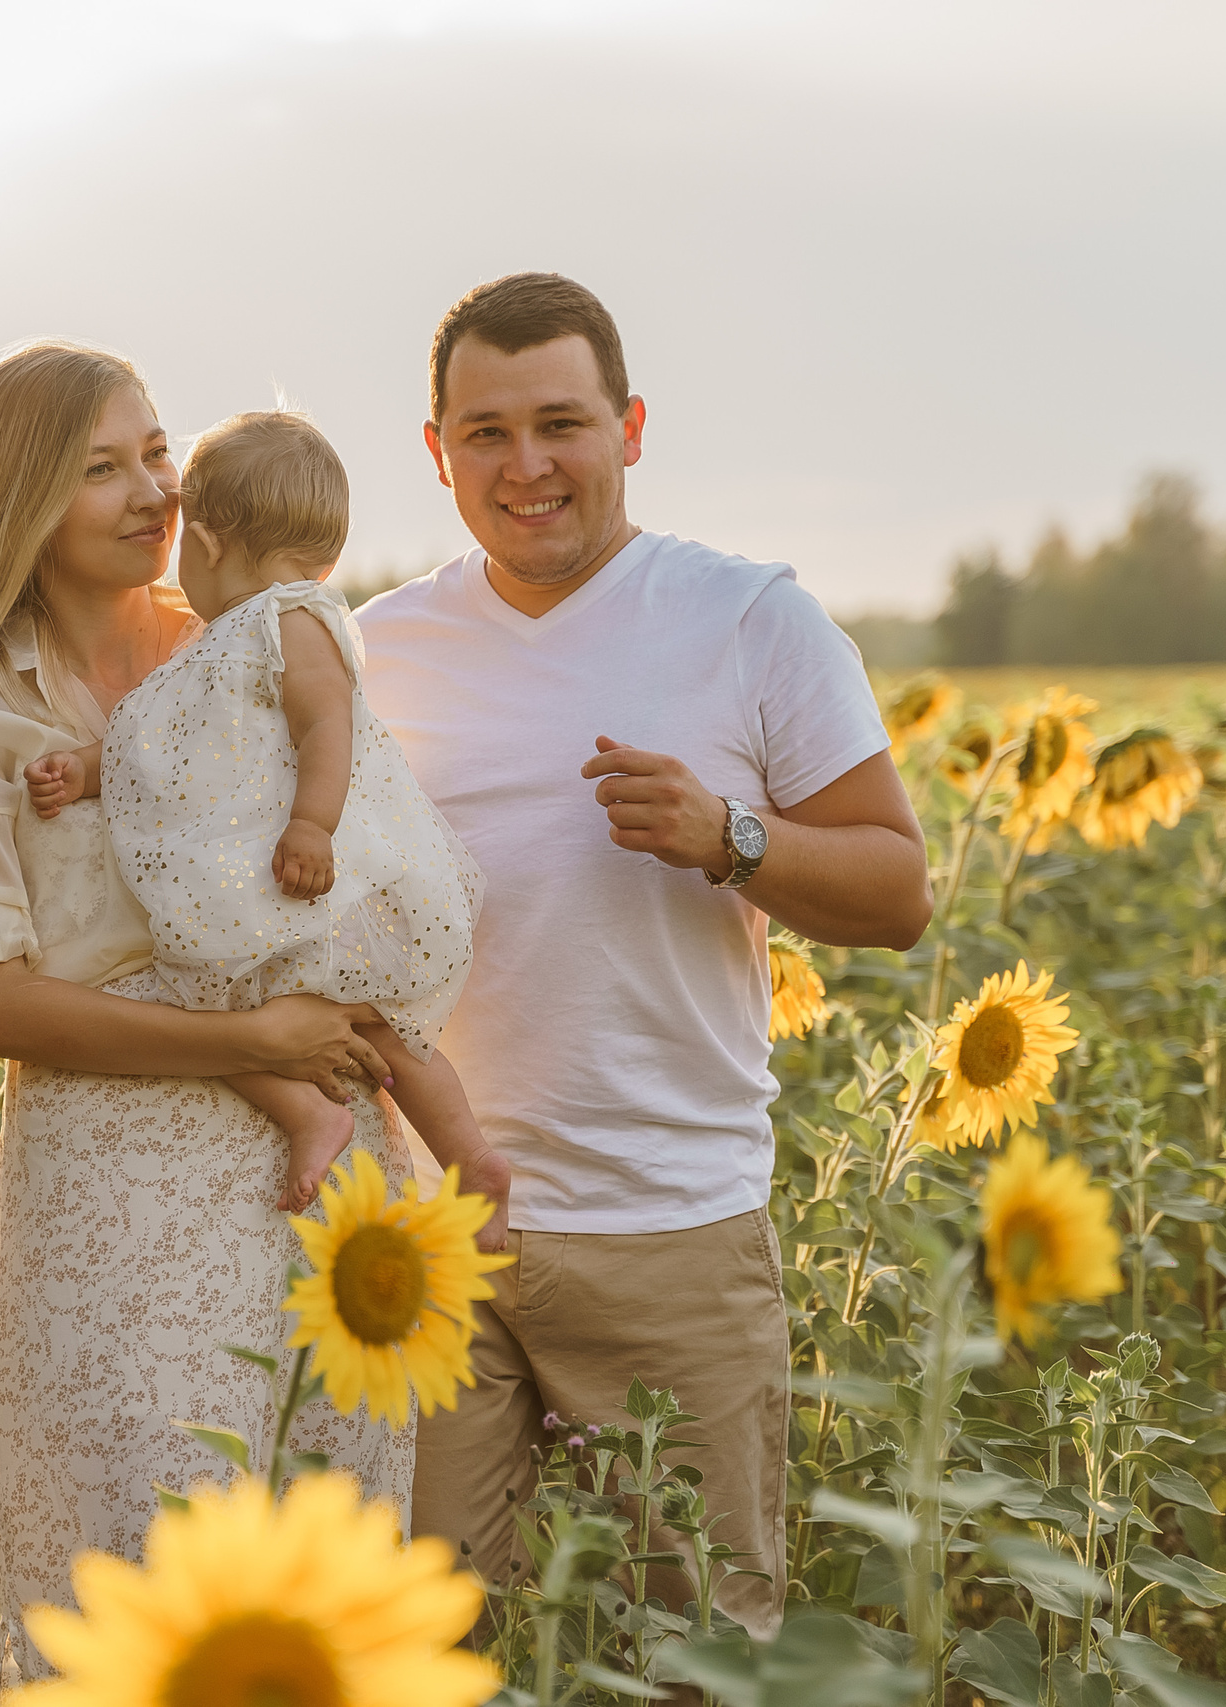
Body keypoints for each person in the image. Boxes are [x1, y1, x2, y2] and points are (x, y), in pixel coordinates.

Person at [0, 341, 416, 1700]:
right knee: (131, 1589)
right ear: (21, 499)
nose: (154, 490)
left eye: (157, 452)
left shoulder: (244, 642)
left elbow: (364, 848)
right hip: (112, 1190)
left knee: (330, 1588)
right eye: (103, 467)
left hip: (326, 1173)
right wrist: (254, 1044)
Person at [357, 273, 933, 1635]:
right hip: (429, 1236)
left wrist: (730, 836)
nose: (526, 465)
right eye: (486, 432)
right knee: (421, 1643)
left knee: (696, 1647)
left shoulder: (749, 620)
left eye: (560, 423)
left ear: (629, 426)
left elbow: (898, 890)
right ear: (436, 451)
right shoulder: (374, 651)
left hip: (665, 1223)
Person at [22, 410, 511, 1246]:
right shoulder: (217, 646)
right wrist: (84, 769)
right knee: (318, 1016)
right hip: (256, 882)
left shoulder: (291, 622)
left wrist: (313, 825)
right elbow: (155, 743)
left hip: (308, 872)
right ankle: (363, 1129)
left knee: (264, 1006)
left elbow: (329, 725)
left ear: (209, 545)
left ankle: (463, 1155)